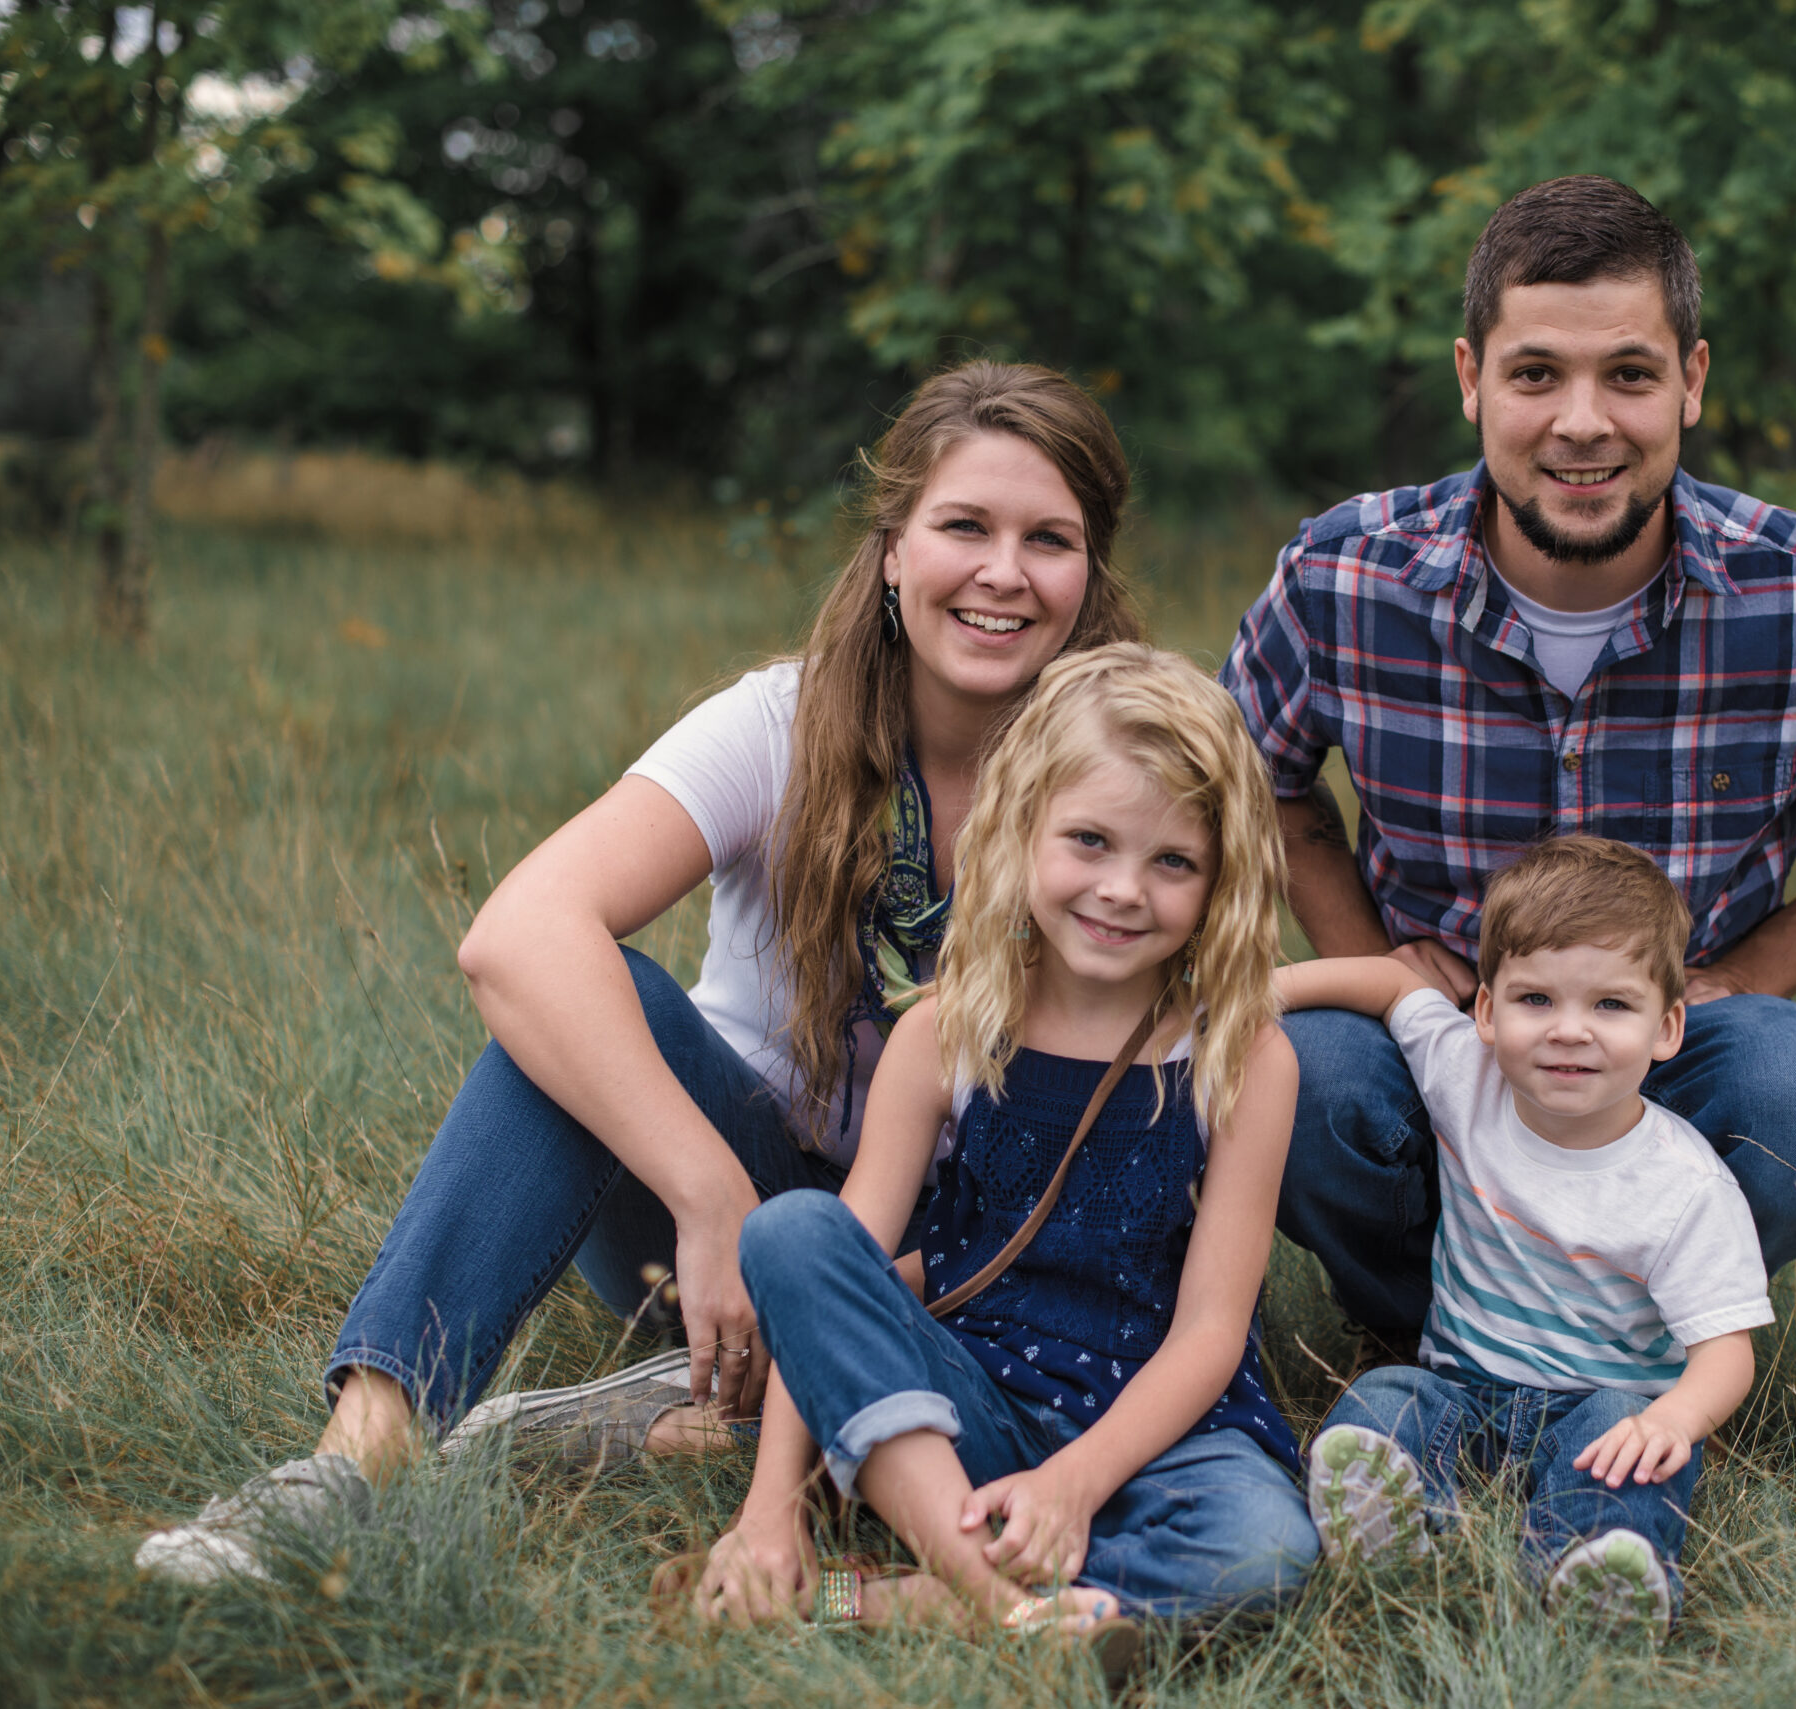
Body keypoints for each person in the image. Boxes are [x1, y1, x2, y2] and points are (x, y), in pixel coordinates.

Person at [137, 361, 1147, 1583]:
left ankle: (674, 1416)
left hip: (983, 1259)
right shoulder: (781, 724)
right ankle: (354, 1464)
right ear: (890, 550)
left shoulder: (1122, 776)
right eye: (963, 527)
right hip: (721, 1209)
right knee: (581, 996)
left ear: (1090, 574)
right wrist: (712, 1193)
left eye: (1050, 538)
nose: (1003, 572)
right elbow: (515, 933)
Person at [1220, 175, 1796, 1347]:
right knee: (1304, 1078)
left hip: (1657, 1056)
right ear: (1470, 380)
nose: (1581, 421)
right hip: (1426, 1051)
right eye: (1535, 372)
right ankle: (1430, 1333)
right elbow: (1245, 779)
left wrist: (1747, 972)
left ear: (1690, 382)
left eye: (1628, 374)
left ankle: (1630, 1335)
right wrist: (1382, 974)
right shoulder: (1345, 575)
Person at [687, 644, 1314, 1673]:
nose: (1121, 888)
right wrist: (767, 1516)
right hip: (965, 1400)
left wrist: (1073, 1481)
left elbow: (1210, 1331)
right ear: (1022, 830)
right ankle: (994, 1591)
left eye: (1171, 862)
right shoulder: (947, 1029)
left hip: (1155, 1424)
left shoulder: (1243, 1054)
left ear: (1221, 878)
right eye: (1089, 841)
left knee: (1263, 1553)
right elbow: (834, 1268)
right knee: (789, 1230)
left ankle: (888, 1597)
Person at [1278, 837, 1770, 1640]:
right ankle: (1394, 1527)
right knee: (1384, 1401)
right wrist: (1264, 990)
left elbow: (1726, 1351)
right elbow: (1393, 982)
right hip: (1460, 1383)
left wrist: (1672, 1420)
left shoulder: (1685, 1184)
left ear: (1667, 1026)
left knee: (1635, 1466)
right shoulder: (1466, 1076)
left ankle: (1594, 1570)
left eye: (1610, 1005)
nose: (1569, 1031)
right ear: (1486, 1011)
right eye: (1536, 999)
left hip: (1602, 1407)